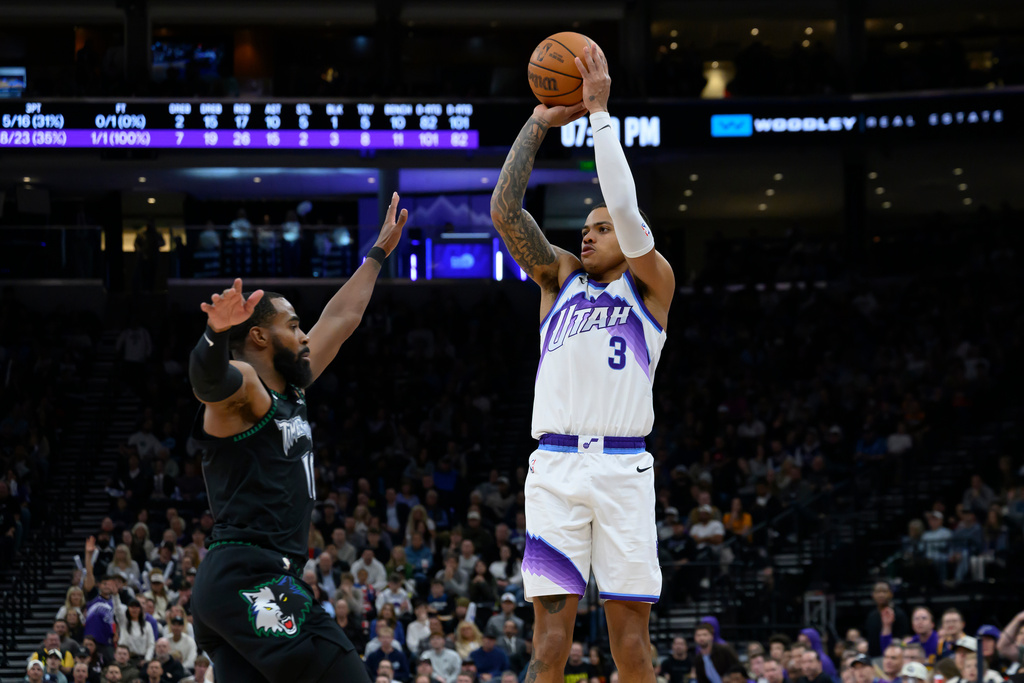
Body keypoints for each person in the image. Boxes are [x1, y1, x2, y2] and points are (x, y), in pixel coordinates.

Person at [490, 43, 674, 683]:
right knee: (548, 643)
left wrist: (598, 114)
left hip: (624, 466)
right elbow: (504, 213)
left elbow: (624, 211)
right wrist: (538, 123)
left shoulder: (652, 285)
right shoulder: (558, 279)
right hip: (556, 467)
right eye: (585, 229)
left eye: (599, 229)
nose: (587, 234)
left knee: (631, 647)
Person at [186, 193, 408, 683]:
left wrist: (376, 255)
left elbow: (342, 319)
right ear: (261, 338)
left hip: (247, 584)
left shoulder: (292, 385)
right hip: (250, 577)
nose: (306, 335)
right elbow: (207, 385)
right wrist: (214, 334)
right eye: (293, 326)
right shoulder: (245, 384)